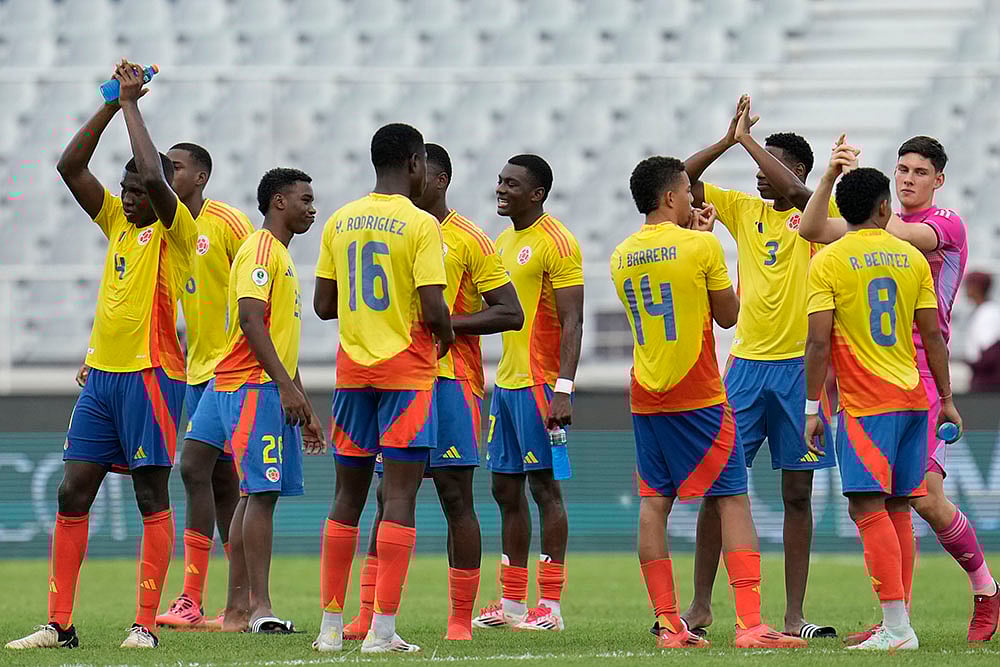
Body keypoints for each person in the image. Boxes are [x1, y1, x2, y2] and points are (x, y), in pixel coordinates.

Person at [6, 61, 196, 650]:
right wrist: (112, 103)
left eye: (138, 190)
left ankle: (144, 624)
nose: (128, 198)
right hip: (102, 379)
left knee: (149, 495)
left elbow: (153, 178)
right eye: (126, 191)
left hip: (152, 376)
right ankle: (59, 624)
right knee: (72, 492)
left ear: (160, 192)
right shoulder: (118, 220)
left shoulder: (175, 228)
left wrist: (135, 104)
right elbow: (69, 167)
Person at [799, 137, 999, 643]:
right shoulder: (883, 232)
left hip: (923, 376)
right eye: (902, 170)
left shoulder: (943, 224)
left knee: (923, 498)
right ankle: (897, 620)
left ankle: (985, 588)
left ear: (939, 181)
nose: (910, 178)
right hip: (876, 373)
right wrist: (834, 179)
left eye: (920, 172)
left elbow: (890, 234)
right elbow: (814, 227)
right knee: (897, 502)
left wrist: (863, 203)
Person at [612, 156, 807, 649]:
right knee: (732, 498)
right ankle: (751, 625)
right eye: (685, 192)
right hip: (697, 394)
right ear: (671, 198)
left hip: (645, 393)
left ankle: (668, 624)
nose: (690, 199)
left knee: (654, 503)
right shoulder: (700, 244)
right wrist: (708, 240)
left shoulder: (620, 254)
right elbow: (728, 316)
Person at [342, 143, 523, 642]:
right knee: (385, 496)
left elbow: (511, 312)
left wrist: (443, 325)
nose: (407, 178)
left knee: (454, 496)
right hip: (395, 380)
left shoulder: (468, 237)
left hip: (451, 382)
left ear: (435, 179)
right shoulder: (388, 229)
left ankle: (460, 620)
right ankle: (367, 613)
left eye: (415, 172)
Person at [678, 95, 838, 639]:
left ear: (796, 170)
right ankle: (699, 606)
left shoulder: (818, 211)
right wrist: (729, 138)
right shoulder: (745, 210)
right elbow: (682, 178)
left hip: (800, 371)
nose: (756, 175)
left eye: (766, 163)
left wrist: (750, 141)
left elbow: (794, 192)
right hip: (744, 368)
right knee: (718, 489)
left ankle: (793, 615)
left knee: (797, 494)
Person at [312, 123, 454, 654]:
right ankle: (382, 632)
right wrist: (441, 335)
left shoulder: (340, 219)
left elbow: (326, 305)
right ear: (416, 163)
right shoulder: (420, 224)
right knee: (398, 496)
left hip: (352, 373)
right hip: (407, 374)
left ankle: (329, 629)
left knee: (344, 498)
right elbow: (435, 306)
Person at [190, 167, 324, 634]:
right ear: (279, 202)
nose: (313, 207)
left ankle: (235, 612)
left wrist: (301, 399)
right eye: (305, 199)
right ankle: (259, 608)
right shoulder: (261, 250)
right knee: (260, 494)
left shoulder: (280, 256)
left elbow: (280, 338)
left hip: (259, 384)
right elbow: (250, 321)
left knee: (253, 494)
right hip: (250, 386)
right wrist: (286, 388)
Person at [473, 154, 584, 632]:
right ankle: (513, 602)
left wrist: (564, 388)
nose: (500, 189)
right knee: (504, 489)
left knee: (545, 488)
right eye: (500, 181)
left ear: (536, 193)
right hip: (507, 384)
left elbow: (573, 320)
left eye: (511, 184)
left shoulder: (557, 242)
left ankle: (551, 607)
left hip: (542, 385)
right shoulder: (502, 240)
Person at [155, 142, 255, 630]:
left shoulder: (230, 224)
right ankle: (239, 601)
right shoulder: (168, 227)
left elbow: (263, 287)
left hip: (232, 372)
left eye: (175, 166)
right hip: (196, 372)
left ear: (201, 177)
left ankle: (199, 595)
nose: (166, 172)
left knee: (196, 469)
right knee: (219, 483)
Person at [963, 271, 1000, 392]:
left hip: (987, 378)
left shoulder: (987, 313)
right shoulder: (985, 310)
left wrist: (974, 365)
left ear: (976, 287)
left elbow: (988, 350)